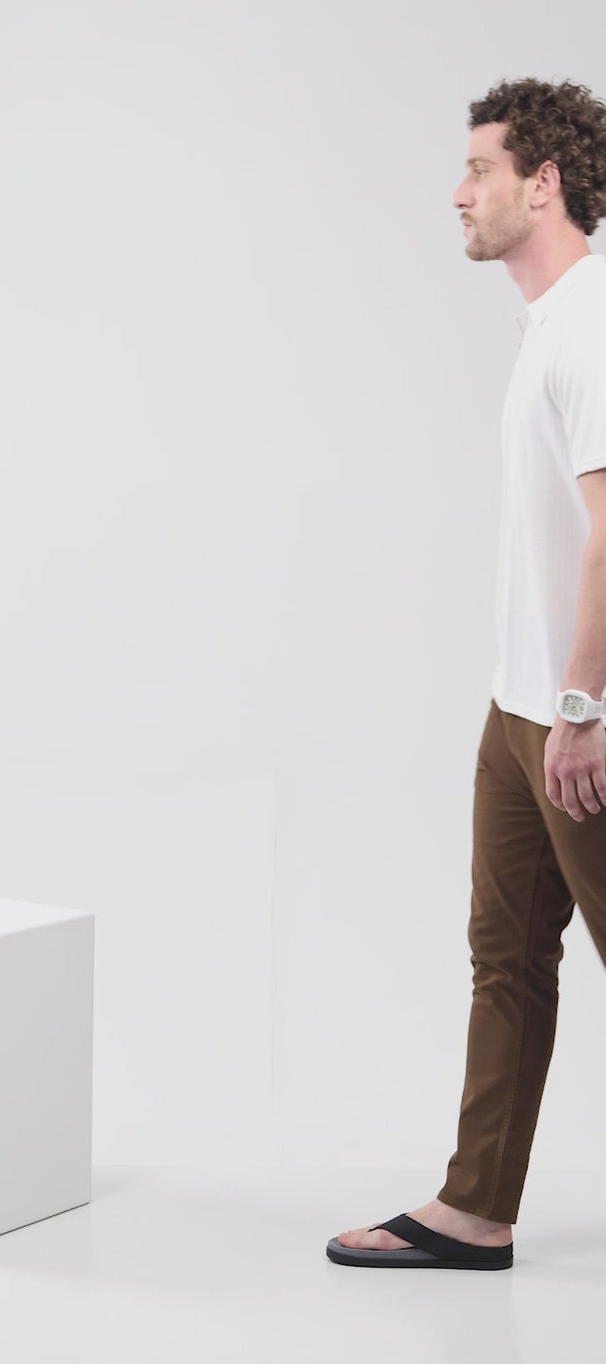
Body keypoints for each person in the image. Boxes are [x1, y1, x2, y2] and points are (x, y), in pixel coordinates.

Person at [328, 76, 606, 1270]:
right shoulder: (547, 326)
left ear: (542, 183)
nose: (457, 192)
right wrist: (537, 701)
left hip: (578, 716)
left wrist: (584, 705)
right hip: (521, 709)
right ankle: (475, 1206)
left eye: (478, 169)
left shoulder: (591, 324)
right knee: (506, 961)